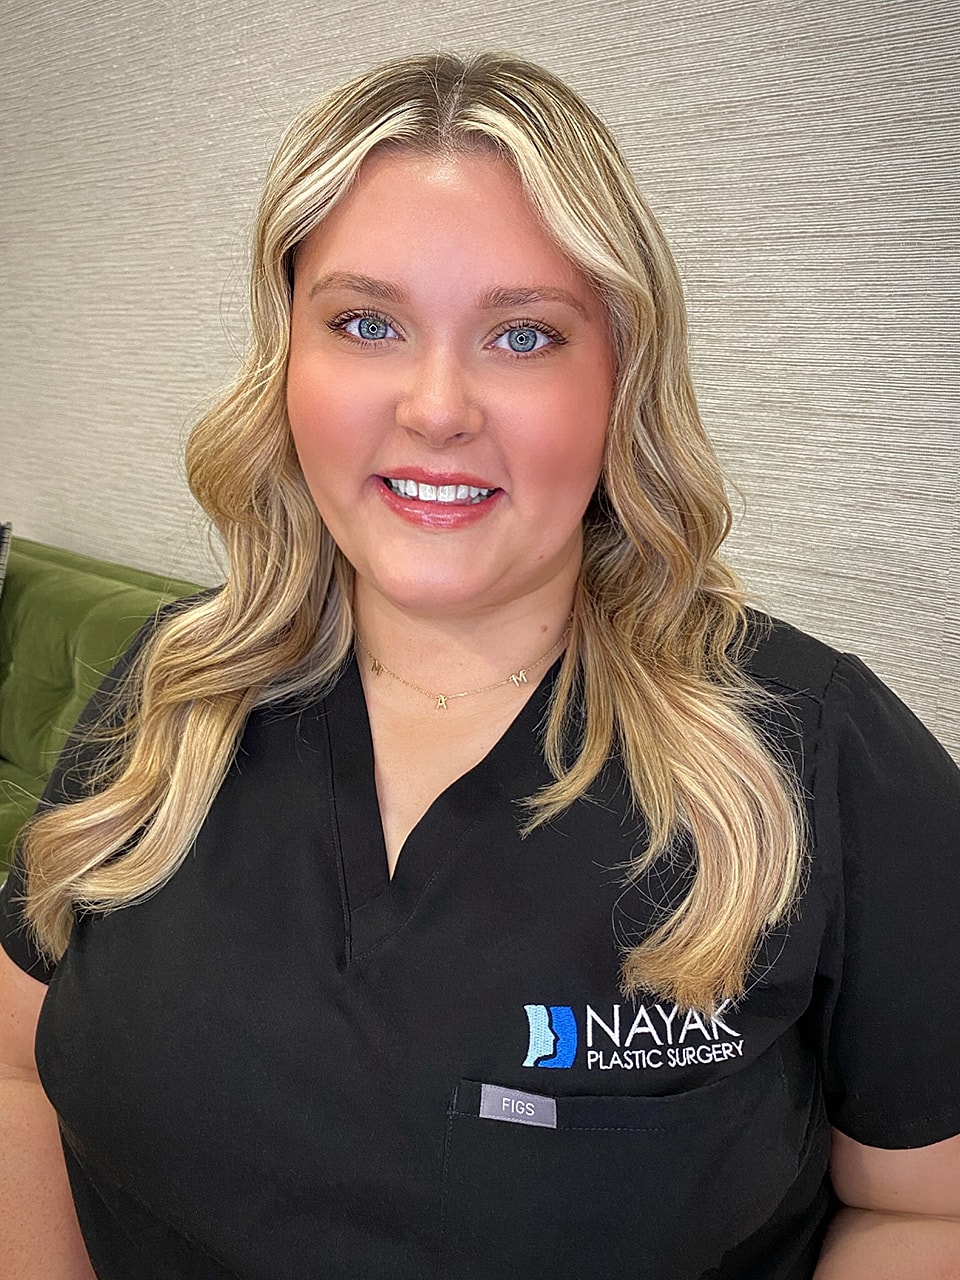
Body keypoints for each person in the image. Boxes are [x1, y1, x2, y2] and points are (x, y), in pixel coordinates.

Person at [1, 51, 958, 1280]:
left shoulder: (819, 750)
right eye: (365, 322)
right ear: (286, 361)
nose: (438, 405)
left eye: (521, 334)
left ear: (620, 380)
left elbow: (926, 1205)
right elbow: (23, 1064)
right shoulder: (174, 683)